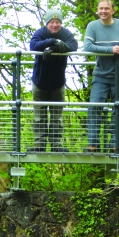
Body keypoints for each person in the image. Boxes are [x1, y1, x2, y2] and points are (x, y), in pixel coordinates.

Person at [84, 0, 119, 153]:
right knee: (94, 107)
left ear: (113, 10)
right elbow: (88, 46)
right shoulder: (93, 26)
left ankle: (116, 145)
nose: (103, 11)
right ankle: (93, 144)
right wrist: (110, 50)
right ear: (97, 11)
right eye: (101, 9)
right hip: (101, 75)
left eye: (106, 8)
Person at [28, 10, 78, 153]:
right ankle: (40, 144)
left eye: (57, 22)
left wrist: (53, 47)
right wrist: (51, 42)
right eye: (52, 22)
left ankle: (56, 144)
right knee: (39, 116)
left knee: (57, 117)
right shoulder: (40, 32)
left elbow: (73, 45)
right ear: (47, 23)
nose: (54, 25)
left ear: (61, 23)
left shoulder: (66, 33)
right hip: (40, 82)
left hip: (58, 82)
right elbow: (33, 45)